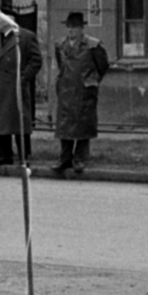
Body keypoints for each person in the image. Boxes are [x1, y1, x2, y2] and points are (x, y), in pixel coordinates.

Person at [52, 11, 110, 174]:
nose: (71, 30)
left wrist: (91, 81)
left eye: (75, 27)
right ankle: (64, 159)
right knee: (65, 126)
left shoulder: (93, 45)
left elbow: (103, 66)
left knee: (83, 125)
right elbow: (60, 65)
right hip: (66, 90)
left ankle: (80, 159)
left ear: (81, 28)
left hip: (84, 90)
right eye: (68, 27)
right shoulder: (60, 45)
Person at [0, 9, 43, 167]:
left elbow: (36, 60)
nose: (1, 21)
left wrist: (24, 77)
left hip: (16, 85)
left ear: (12, 19)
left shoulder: (25, 36)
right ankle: (3, 155)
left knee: (19, 122)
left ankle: (24, 156)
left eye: (4, 18)